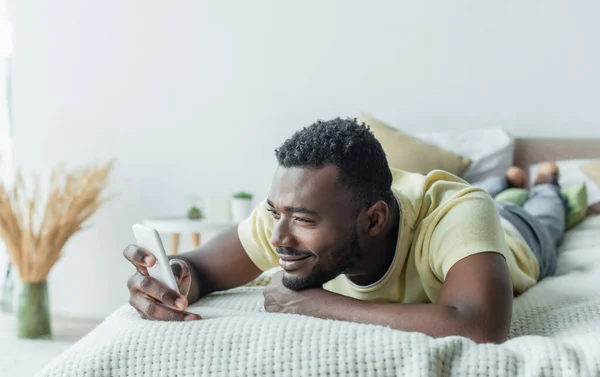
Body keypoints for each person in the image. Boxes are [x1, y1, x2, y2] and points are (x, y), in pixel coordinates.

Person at [124, 118, 568, 343]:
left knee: (542, 213)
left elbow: (478, 326)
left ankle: (546, 183)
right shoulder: (289, 217)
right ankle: (507, 180)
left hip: (517, 239)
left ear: (373, 219)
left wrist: (316, 304)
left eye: (302, 220)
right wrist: (171, 278)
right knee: (498, 191)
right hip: (460, 212)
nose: (279, 236)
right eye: (276, 212)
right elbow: (200, 268)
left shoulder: (458, 213)